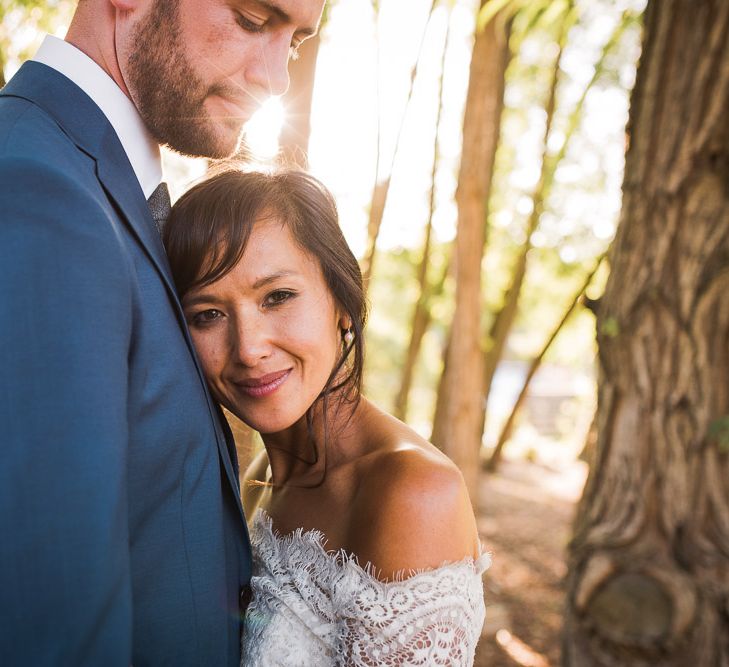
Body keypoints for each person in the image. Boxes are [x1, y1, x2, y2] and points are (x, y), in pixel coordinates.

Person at [0, 0, 324, 664]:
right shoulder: (36, 189)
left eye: (292, 43)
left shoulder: (105, 189)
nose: (276, 79)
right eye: (252, 18)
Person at [164, 168, 490, 666]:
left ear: (341, 302)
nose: (249, 349)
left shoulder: (413, 493)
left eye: (278, 297)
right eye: (208, 314)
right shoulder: (257, 476)